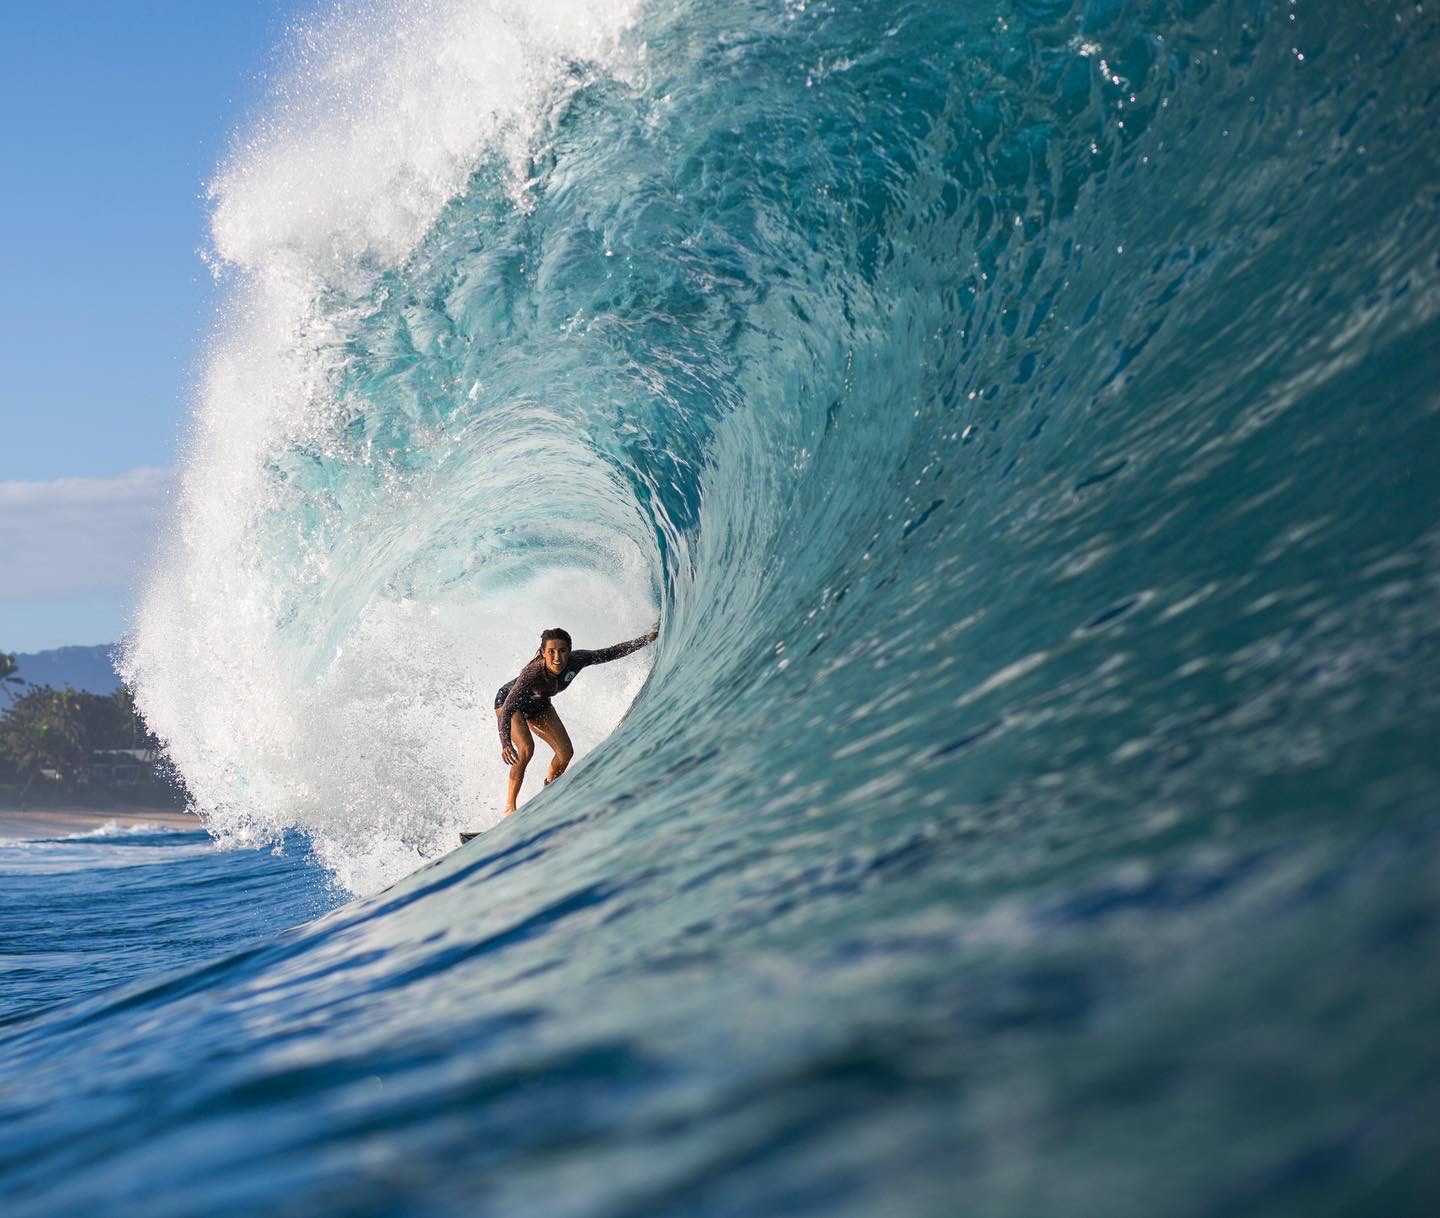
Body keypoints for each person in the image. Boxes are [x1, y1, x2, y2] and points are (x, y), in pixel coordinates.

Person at [494, 624, 658, 814]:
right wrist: (505, 743)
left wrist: (644, 640)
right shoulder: (532, 673)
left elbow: (609, 653)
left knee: (565, 752)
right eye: (551, 652)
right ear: (542, 653)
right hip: (509, 703)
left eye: (562, 651)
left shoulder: (577, 660)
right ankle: (510, 808)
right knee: (526, 748)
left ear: (569, 651)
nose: (557, 658)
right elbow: (507, 710)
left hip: (539, 704)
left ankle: (549, 793)